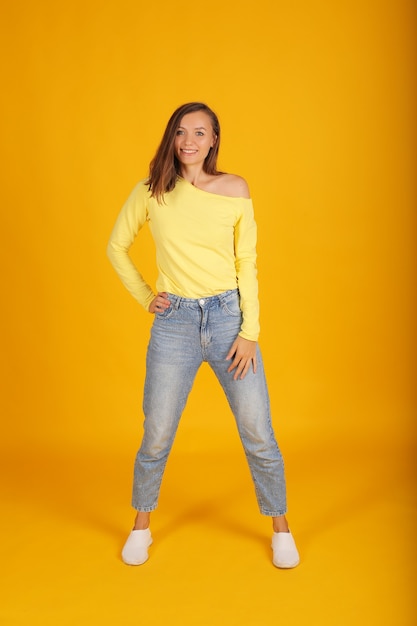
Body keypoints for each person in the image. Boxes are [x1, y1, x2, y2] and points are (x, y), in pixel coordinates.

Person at [107, 102, 300, 569]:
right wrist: (144, 295)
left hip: (229, 320)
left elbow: (246, 263)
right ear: (171, 139)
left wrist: (249, 332)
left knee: (258, 429)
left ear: (214, 139)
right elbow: (116, 245)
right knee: (156, 432)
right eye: (180, 132)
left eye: (200, 132)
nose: (189, 141)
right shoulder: (152, 191)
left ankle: (281, 529)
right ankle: (141, 528)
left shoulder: (235, 189)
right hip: (174, 325)